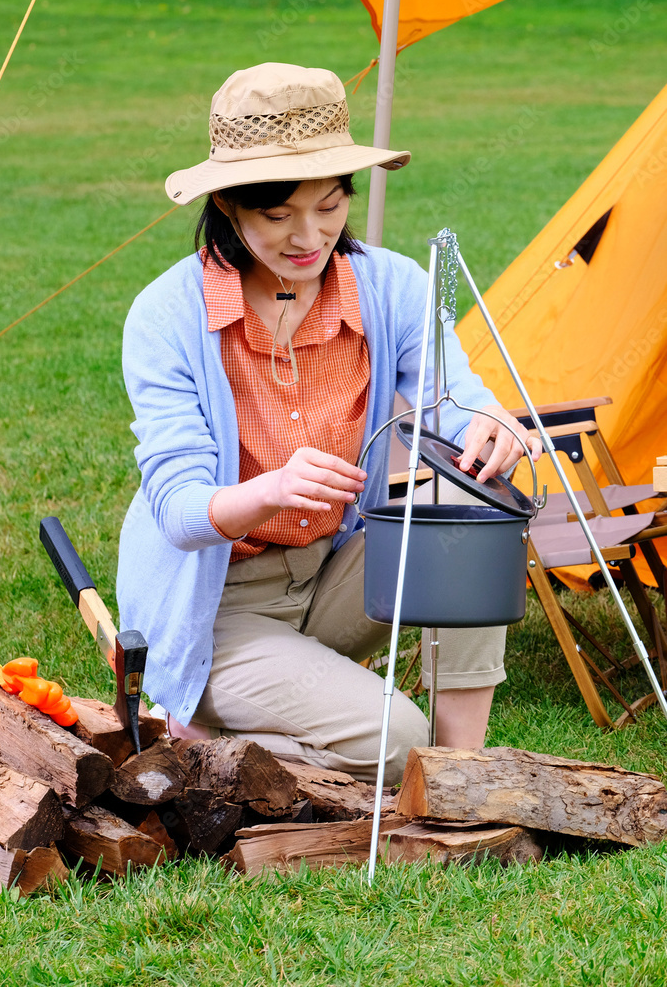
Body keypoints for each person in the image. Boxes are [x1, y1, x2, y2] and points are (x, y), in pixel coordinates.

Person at [116, 63, 542, 784]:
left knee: (471, 499)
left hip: (337, 573)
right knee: (397, 738)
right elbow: (180, 513)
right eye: (277, 215)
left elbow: (455, 400)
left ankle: (461, 778)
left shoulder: (391, 286)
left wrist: (490, 423)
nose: (308, 236)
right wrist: (269, 489)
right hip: (219, 611)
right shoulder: (167, 315)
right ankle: (198, 736)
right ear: (227, 205)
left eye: (329, 205)